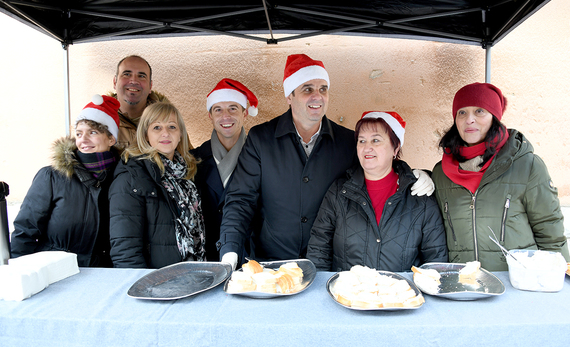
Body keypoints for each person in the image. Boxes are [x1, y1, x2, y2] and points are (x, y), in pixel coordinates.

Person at [218, 54, 435, 269]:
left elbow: (380, 168)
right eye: (307, 89)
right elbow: (240, 200)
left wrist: (416, 174)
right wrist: (230, 248)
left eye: (323, 89)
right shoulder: (261, 139)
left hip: (326, 266)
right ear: (289, 96)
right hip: (272, 263)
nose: (317, 96)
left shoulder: (347, 142)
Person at [431, 82, 569, 271]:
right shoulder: (441, 173)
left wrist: (559, 281)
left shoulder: (527, 165)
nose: (469, 119)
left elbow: (549, 231)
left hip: (518, 283)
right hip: (464, 284)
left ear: (494, 117)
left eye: (479, 111)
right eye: (462, 112)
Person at [307, 111, 448, 272]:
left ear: (395, 148)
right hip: (347, 294)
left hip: (400, 294)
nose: (367, 148)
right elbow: (319, 248)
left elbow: (436, 259)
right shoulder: (339, 191)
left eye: (376, 140)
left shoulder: (419, 196)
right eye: (362, 141)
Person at [11, 95, 121, 267]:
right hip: (54, 274)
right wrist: (19, 275)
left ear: (111, 139)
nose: (83, 140)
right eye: (79, 133)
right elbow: (25, 230)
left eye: (92, 132)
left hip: (102, 275)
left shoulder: (122, 179)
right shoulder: (52, 177)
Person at [109, 102, 205, 268]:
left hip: (195, 275)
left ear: (181, 133)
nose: (165, 133)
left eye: (172, 127)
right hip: (158, 283)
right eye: (157, 128)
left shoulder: (188, 174)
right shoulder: (131, 177)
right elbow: (125, 250)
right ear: (146, 134)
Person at [191, 78, 258, 262]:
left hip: (251, 255)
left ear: (245, 114)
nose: (225, 116)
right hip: (209, 255)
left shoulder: (260, 156)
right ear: (210, 116)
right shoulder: (194, 159)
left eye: (233, 108)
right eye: (218, 109)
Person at [110, 55, 169, 148]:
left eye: (141, 76)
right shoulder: (97, 119)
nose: (134, 81)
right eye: (127, 74)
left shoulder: (169, 118)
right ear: (114, 82)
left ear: (150, 86)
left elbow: (188, 158)